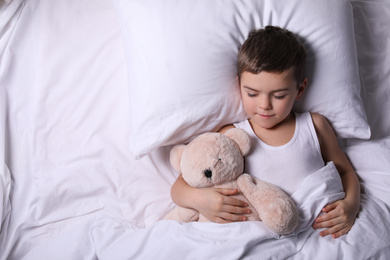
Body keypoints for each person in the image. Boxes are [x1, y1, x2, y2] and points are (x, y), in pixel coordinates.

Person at [170, 25, 360, 239]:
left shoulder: (314, 126)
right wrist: (201, 201)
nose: (264, 105)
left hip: (315, 231)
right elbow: (181, 185)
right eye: (252, 93)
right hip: (256, 232)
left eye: (278, 96)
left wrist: (351, 205)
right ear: (239, 85)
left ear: (299, 90)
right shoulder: (231, 135)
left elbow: (346, 172)